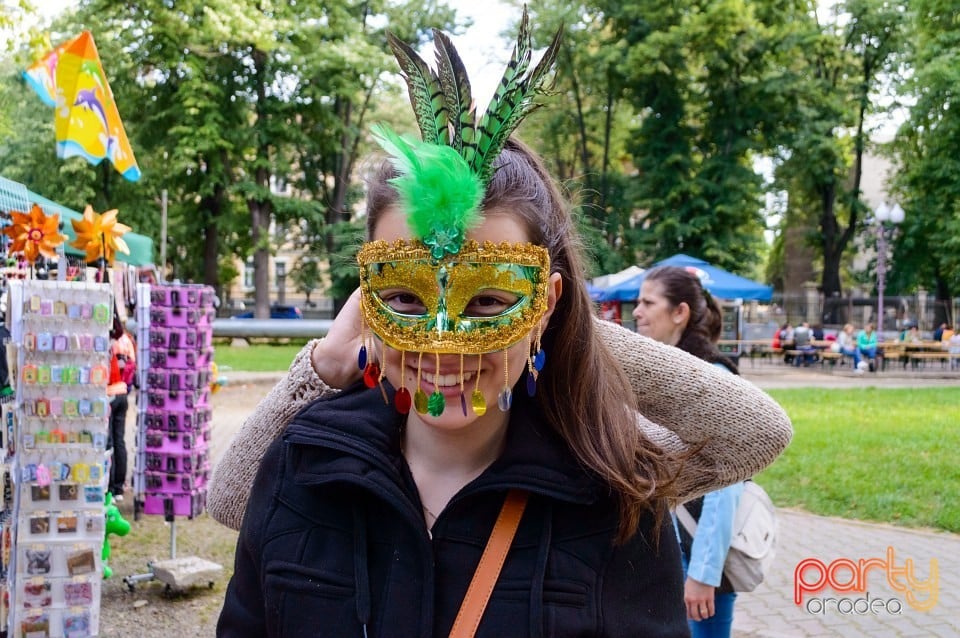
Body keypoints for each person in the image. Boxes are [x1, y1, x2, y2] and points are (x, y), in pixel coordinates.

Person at [214, 16, 792, 637]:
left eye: (488, 301)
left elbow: (757, 430)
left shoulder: (611, 497)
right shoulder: (308, 460)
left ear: (544, 302)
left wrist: (559, 327)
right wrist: (323, 368)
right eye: (405, 297)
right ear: (367, 295)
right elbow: (228, 501)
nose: (444, 341)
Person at [633, 266, 744, 637]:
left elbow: (726, 487)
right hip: (662, 547)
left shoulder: (714, 380)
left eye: (648, 302)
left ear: (679, 313)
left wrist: (703, 574)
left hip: (696, 554)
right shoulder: (664, 378)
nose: (637, 311)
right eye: (638, 301)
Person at [107, 329, 136, 501]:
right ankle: (119, 487)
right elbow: (132, 365)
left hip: (108, 393)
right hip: (122, 392)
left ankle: (109, 487)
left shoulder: (107, 339)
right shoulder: (126, 339)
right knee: (119, 440)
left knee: (108, 442)